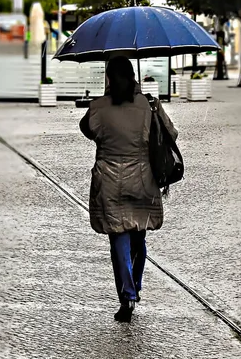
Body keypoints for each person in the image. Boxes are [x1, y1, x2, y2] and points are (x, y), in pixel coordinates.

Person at [79, 56, 178, 323]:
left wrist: (103, 100)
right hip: (142, 178)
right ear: (133, 75)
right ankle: (135, 283)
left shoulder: (98, 107)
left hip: (109, 181)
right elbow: (172, 134)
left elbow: (87, 129)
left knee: (118, 240)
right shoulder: (147, 105)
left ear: (109, 78)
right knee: (139, 236)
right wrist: (148, 104)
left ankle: (128, 296)